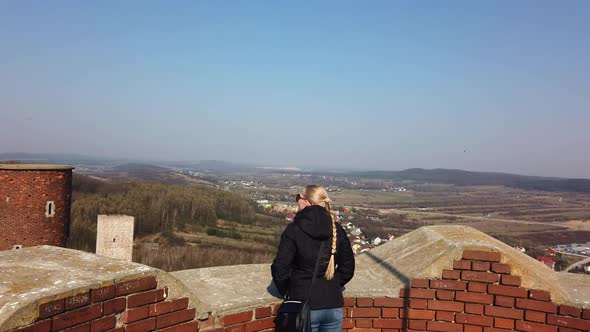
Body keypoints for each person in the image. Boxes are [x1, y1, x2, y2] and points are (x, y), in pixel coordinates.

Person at [271, 184, 355, 332]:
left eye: (298, 197)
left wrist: (290, 290)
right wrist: (333, 284)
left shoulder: (294, 229)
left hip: (303, 305)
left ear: (306, 202)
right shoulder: (337, 229)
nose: (297, 201)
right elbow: (347, 268)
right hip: (333, 305)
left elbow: (280, 268)